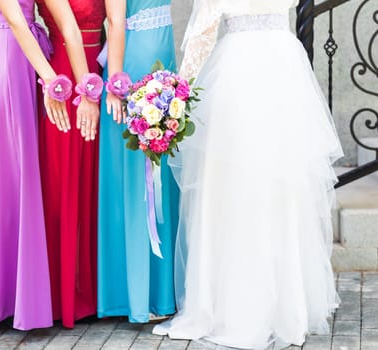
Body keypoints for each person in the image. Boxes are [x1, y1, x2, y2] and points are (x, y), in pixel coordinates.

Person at [153, 0, 343, 348]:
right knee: (278, 187)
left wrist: (176, 98)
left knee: (230, 190)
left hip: (238, 75)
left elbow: (202, 32)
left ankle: (232, 304)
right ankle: (287, 308)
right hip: (282, 68)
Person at [0, 0, 93, 330]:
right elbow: (14, 21)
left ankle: (13, 293)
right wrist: (52, 82)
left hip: (25, 62)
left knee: (17, 180)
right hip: (9, 62)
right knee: (4, 180)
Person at [97, 0, 180, 323]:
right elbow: (115, 21)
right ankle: (135, 294)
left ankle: (162, 291)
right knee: (136, 177)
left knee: (160, 172)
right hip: (135, 61)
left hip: (162, 55)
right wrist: (116, 85)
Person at [36, 0, 105, 328]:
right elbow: (70, 30)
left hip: (98, 70)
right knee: (63, 182)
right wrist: (86, 94)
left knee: (94, 185)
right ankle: (61, 294)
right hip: (69, 77)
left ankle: (94, 290)